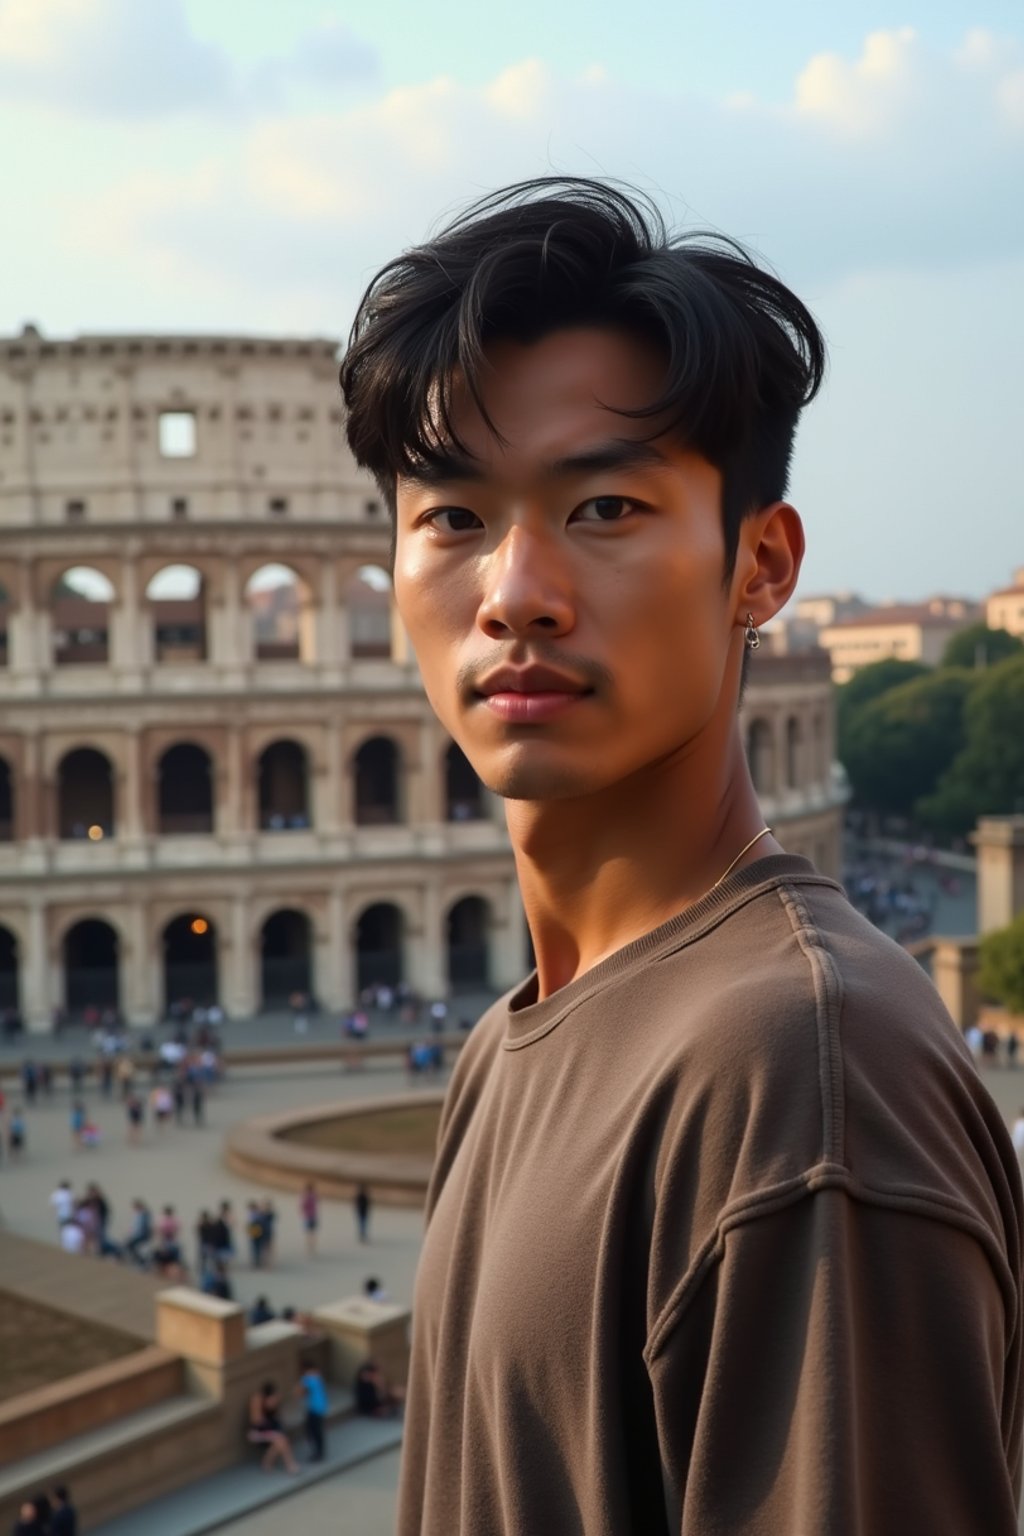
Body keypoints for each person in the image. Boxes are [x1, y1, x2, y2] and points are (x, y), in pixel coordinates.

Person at [339, 177, 1024, 1533]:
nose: (515, 592)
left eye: (603, 510)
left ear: (760, 568)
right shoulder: (513, 1041)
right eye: (454, 518)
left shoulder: (801, 1069)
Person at [247, 1381, 298, 1473]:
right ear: (266, 1397)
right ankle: (290, 1465)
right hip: (256, 1433)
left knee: (280, 1441)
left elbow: (277, 1420)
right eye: (273, 1399)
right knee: (280, 1439)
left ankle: (268, 1464)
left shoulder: (274, 1404)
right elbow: (257, 1423)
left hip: (269, 1431)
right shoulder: (257, 1401)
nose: (275, 1401)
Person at [294, 1360, 328, 1462]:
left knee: (312, 1431)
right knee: (317, 1431)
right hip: (321, 1407)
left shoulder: (307, 1379)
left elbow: (299, 1393)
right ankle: (320, 1451)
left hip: (313, 1409)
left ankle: (317, 1452)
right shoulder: (318, 1377)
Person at [299, 1181, 319, 1257]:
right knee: (313, 1233)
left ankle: (309, 1249)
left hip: (307, 1217)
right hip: (313, 1216)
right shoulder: (314, 1195)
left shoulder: (305, 1196)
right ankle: (313, 1248)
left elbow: (302, 1206)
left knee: (308, 1233)